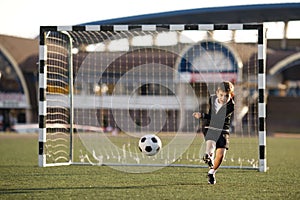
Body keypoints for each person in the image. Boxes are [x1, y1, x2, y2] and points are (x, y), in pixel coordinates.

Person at [193, 81, 235, 184]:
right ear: (217, 93)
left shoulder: (231, 105)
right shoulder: (211, 99)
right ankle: (208, 156)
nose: (223, 98)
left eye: (226, 96)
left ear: (231, 94)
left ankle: (212, 172)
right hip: (210, 127)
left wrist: (202, 115)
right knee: (210, 144)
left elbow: (218, 119)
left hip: (223, 129)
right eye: (221, 95)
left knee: (220, 155)